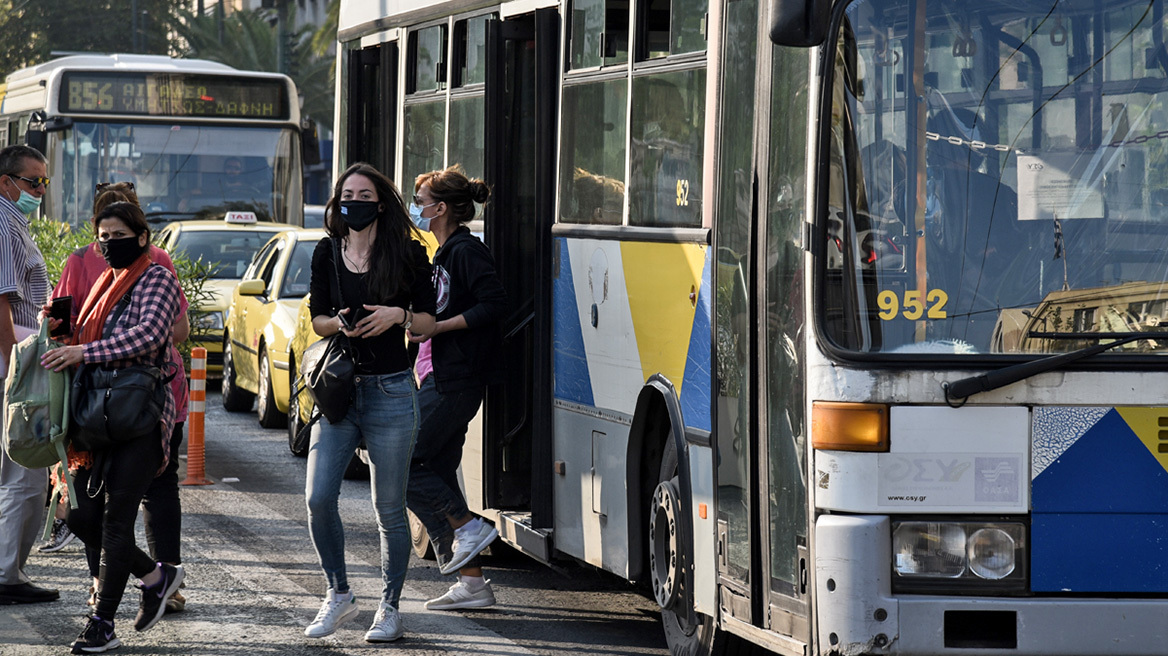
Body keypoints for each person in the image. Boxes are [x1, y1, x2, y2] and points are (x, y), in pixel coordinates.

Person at [41, 201, 185, 654]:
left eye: (119, 235)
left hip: (140, 414)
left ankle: (101, 624)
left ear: (142, 238)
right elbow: (83, 336)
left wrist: (86, 352)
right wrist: (61, 331)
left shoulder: (157, 277)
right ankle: (156, 576)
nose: (109, 243)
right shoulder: (102, 280)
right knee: (82, 515)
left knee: (118, 519)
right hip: (95, 414)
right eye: (103, 236)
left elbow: (149, 334)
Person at [304, 163, 436, 643]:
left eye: (363, 194)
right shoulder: (326, 253)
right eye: (346, 194)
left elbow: (426, 323)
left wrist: (397, 314)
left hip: (392, 390)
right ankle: (338, 593)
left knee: (388, 507)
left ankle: (389, 606)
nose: (353, 201)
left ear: (380, 203)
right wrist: (340, 323)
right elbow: (317, 319)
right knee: (318, 498)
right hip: (339, 393)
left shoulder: (406, 253)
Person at [405, 166, 507, 610]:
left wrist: (441, 326)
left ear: (440, 208)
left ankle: (468, 526)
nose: (417, 207)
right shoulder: (443, 254)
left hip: (457, 379)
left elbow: (494, 303)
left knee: (401, 462)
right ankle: (473, 585)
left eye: (421, 199)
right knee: (440, 470)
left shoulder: (466, 251)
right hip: (438, 375)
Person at [0, 145, 56, 606]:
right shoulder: (3, 224)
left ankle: (8, 570)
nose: (39, 191)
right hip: (14, 364)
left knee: (21, 472)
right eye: (32, 182)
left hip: (17, 359)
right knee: (24, 471)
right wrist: (12, 371)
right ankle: (6, 575)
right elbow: (1, 301)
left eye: (44, 183)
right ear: (6, 183)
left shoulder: (14, 223)